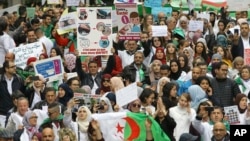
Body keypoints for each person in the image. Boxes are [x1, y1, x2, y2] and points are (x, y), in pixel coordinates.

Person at [0, 60, 25, 127]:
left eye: (15, 66)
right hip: (2, 114)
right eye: (12, 67)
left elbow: (23, 94)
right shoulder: (0, 80)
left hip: (16, 113)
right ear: (6, 69)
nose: (15, 68)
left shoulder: (19, 79)